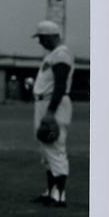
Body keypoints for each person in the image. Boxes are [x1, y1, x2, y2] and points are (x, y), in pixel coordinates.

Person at [31, 18, 75, 206]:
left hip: (53, 104)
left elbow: (60, 85)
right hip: (44, 103)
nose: (39, 42)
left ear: (51, 36)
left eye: (41, 38)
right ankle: (51, 192)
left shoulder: (62, 54)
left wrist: (50, 112)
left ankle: (60, 195)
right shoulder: (53, 54)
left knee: (55, 147)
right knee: (46, 149)